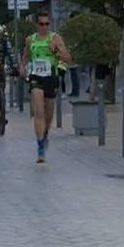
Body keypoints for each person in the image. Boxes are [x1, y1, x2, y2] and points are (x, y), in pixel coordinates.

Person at [23, 13, 73, 163]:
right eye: (41, 24)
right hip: (35, 78)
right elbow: (26, 56)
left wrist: (56, 51)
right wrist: (22, 67)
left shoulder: (55, 39)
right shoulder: (30, 39)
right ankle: (40, 146)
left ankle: (44, 136)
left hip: (51, 77)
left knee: (49, 114)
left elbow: (68, 59)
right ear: (36, 25)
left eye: (46, 24)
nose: (44, 27)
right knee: (38, 110)